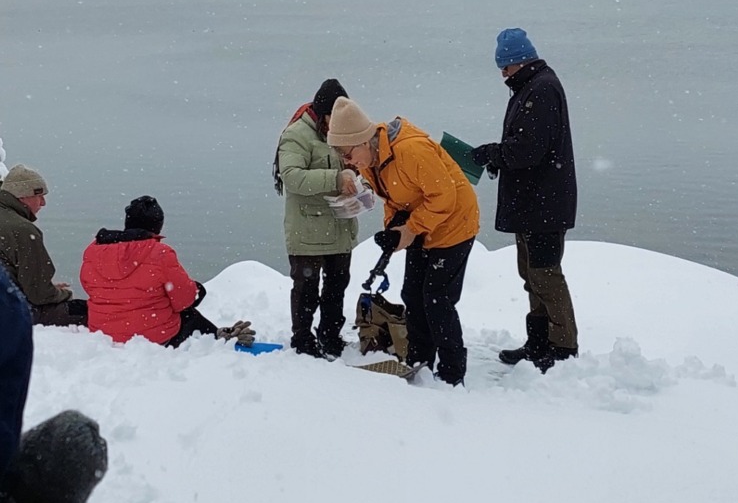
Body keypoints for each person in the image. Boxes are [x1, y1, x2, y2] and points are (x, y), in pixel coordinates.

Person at [0, 225, 107, 503]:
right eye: (40, 194)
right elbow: (37, 291)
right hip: (27, 307)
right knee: (79, 308)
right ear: (26, 195)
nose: (44, 201)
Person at [327, 97, 480, 386]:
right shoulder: (372, 158)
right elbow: (394, 196)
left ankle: (451, 372)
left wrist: (410, 230)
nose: (349, 163)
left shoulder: (411, 150)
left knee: (437, 299)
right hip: (423, 224)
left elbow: (444, 197)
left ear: (362, 141)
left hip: (454, 225)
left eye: (348, 155)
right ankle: (419, 358)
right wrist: (394, 228)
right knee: (412, 294)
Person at [472, 27, 579, 372]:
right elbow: (526, 146)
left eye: (505, 67)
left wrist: (494, 153)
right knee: (531, 274)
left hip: (545, 205)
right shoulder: (531, 87)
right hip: (535, 203)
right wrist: (498, 155)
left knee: (545, 274)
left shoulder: (541, 89)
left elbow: (530, 149)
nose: (503, 74)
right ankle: (538, 342)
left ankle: (562, 347)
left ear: (520, 61)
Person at [80, 195, 254, 348]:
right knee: (188, 312)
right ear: (159, 226)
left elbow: (88, 286)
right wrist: (197, 290)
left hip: (103, 335)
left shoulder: (94, 251)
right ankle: (219, 338)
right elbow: (184, 300)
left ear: (127, 222)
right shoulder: (160, 253)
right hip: (150, 337)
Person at [274, 79, 359, 358]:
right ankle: (302, 340)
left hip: (339, 225)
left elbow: (356, 165)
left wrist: (360, 188)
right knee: (306, 290)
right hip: (307, 229)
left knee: (337, 287)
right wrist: (335, 178)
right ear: (322, 114)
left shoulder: (342, 131)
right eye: (333, 119)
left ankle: (331, 335)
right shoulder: (297, 135)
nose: (337, 126)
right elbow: (292, 177)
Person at [0, 163, 88, 327]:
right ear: (22, 196)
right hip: (1, 311)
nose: (43, 203)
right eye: (40, 196)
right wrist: (63, 294)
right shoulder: (22, 229)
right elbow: (39, 294)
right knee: (84, 311)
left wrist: (43, 288)